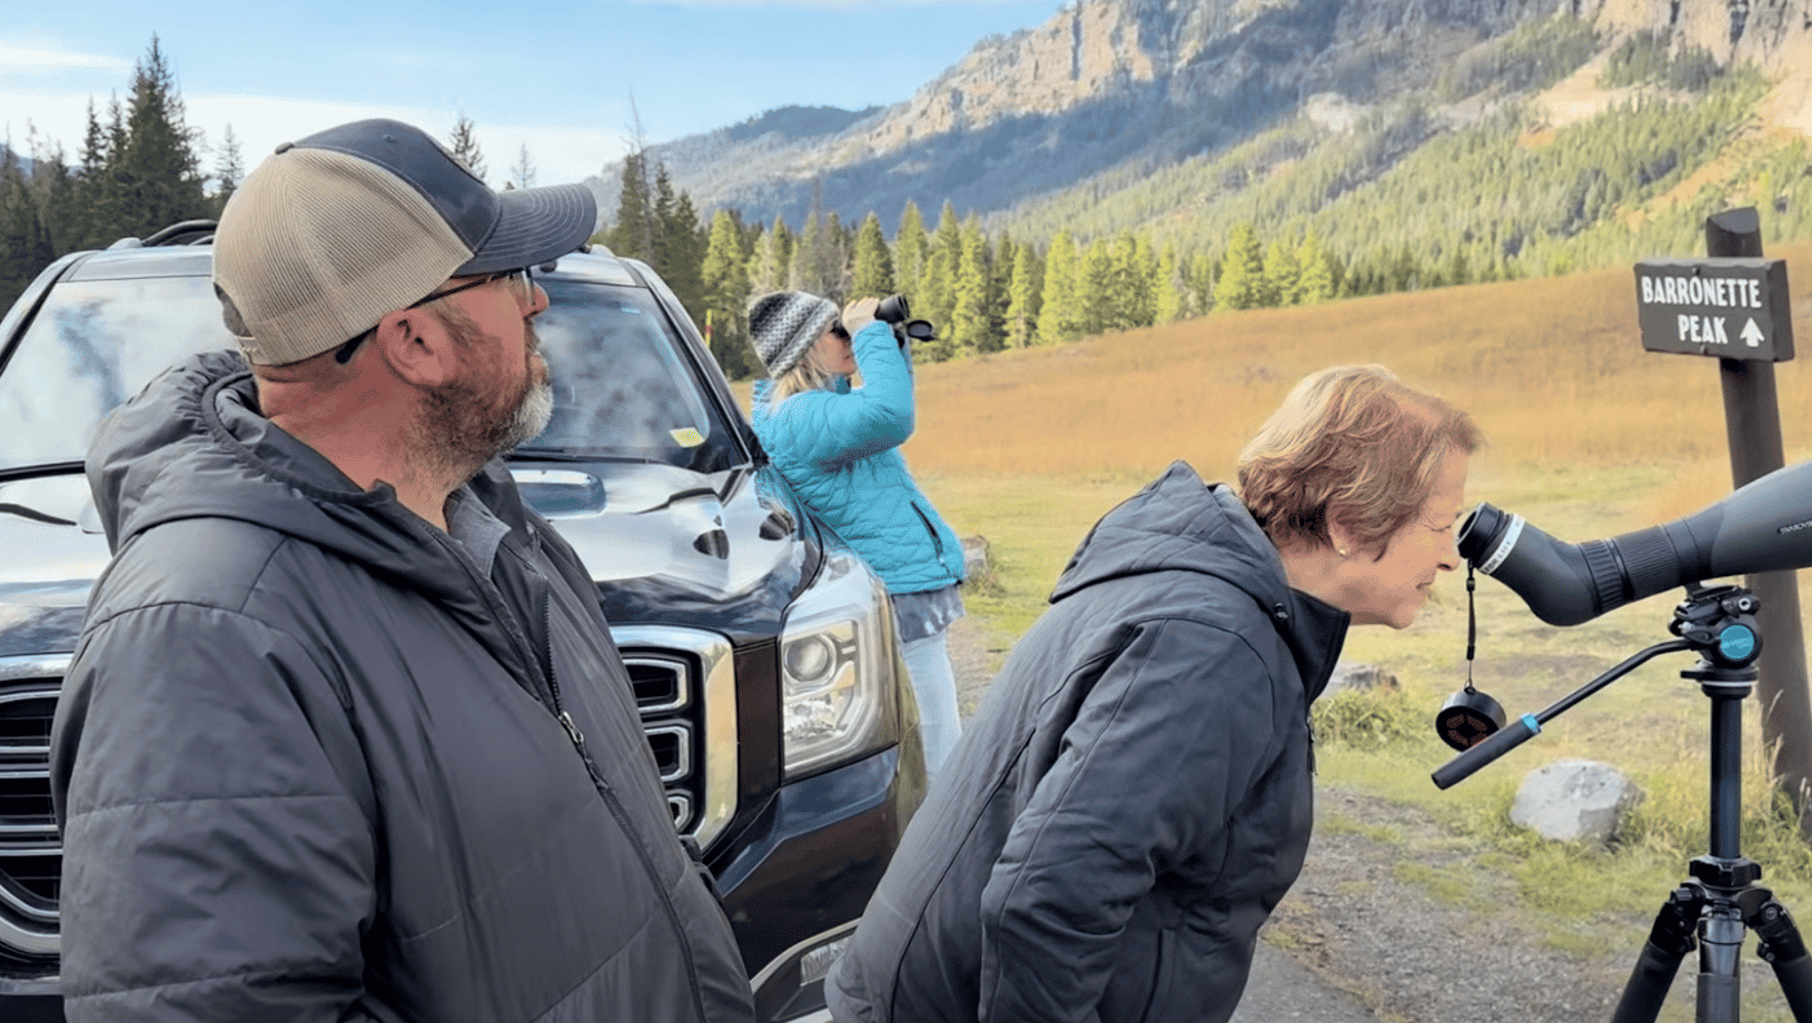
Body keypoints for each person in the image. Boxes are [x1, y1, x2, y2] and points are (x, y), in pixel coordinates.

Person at [50, 119, 755, 1023]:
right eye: (512, 278)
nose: (539, 305)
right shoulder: (205, 637)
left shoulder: (491, 524)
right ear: (415, 341)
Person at [824, 364, 1482, 1023]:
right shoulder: (1212, 646)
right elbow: (1050, 901)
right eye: (1438, 523)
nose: (1452, 555)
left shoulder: (1206, 590)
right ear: (1346, 521)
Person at [747, 291, 968, 782]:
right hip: (894, 585)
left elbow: (885, 402)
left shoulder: (818, 408)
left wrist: (885, 340)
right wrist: (869, 335)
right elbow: (892, 414)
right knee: (934, 731)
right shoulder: (799, 417)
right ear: (805, 348)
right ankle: (950, 833)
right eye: (837, 330)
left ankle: (943, 823)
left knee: (931, 721)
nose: (847, 337)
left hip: (897, 579)